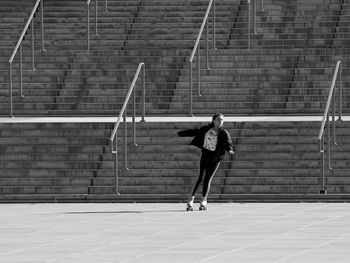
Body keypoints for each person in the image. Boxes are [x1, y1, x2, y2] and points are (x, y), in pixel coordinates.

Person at [177, 113, 234, 211]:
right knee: (200, 177)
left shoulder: (224, 132)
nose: (220, 122)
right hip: (205, 155)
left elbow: (228, 142)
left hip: (216, 158)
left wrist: (230, 150)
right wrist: (180, 133)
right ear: (213, 120)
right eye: (218, 119)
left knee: (207, 178)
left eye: (222, 120)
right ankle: (190, 200)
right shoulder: (207, 129)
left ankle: (203, 200)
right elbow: (194, 132)